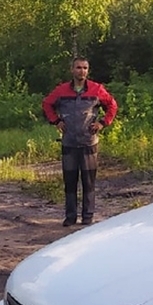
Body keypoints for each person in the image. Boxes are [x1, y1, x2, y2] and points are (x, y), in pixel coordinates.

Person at [42, 57, 118, 227]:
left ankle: (87, 217)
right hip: (69, 142)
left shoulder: (97, 89)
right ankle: (70, 217)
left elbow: (112, 106)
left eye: (85, 68)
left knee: (88, 182)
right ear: (72, 70)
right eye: (78, 67)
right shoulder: (61, 90)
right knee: (70, 182)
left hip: (89, 142)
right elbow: (47, 104)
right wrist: (56, 121)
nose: (81, 71)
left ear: (88, 70)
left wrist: (102, 123)